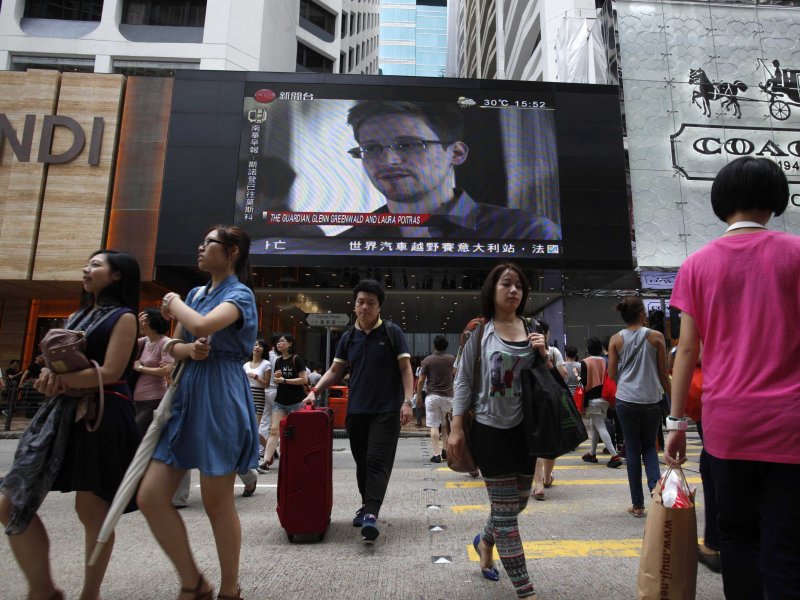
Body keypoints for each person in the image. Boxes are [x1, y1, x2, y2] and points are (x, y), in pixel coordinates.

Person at [665, 156, 800, 598]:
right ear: (776, 201)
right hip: (790, 424)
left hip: (727, 427)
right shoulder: (795, 253)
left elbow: (687, 350)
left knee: (737, 535)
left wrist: (676, 423)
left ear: (721, 201)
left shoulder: (697, 265)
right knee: (787, 542)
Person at [0, 249, 141, 600]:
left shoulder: (124, 317)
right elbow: (62, 365)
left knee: (92, 510)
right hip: (59, 414)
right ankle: (43, 588)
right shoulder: (77, 314)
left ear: (117, 275)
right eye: (88, 263)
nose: (86, 269)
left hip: (100, 416)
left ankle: (89, 594)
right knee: (10, 502)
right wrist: (49, 376)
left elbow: (111, 372)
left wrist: (63, 381)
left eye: (96, 264)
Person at [136, 225, 259, 600]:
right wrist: (184, 350)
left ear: (232, 251)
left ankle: (228, 589)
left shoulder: (240, 294)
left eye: (209, 243)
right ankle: (193, 580)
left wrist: (173, 305)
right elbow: (174, 344)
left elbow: (203, 325)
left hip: (220, 393)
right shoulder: (194, 293)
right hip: (187, 389)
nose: (200, 247)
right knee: (150, 497)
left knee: (216, 502)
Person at [448, 263, 548, 599]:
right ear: (492, 290)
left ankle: (484, 540)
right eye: (506, 284)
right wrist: (457, 428)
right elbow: (462, 379)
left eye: (519, 285)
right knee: (507, 517)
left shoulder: (532, 328)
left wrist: (543, 354)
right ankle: (525, 589)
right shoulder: (478, 330)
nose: (513, 291)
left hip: (525, 431)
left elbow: (547, 381)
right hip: (489, 431)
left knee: (517, 504)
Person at [340, 101, 560, 240]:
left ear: (456, 153)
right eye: (370, 148)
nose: (389, 160)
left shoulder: (524, 232)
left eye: (409, 144)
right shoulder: (349, 240)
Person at [302, 279, 414, 543]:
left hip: (387, 409)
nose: (365, 307)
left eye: (371, 303)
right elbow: (335, 371)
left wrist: (408, 401)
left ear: (379, 308)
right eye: (360, 302)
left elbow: (405, 369)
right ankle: (366, 506)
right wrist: (314, 391)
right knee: (362, 463)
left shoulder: (391, 332)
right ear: (354, 306)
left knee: (377, 460)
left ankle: (372, 514)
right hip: (357, 411)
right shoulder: (348, 337)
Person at [608, 297, 671, 518]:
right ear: (642, 315)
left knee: (633, 449)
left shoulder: (616, 340)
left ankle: (637, 506)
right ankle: (655, 489)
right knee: (650, 447)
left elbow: (612, 374)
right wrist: (672, 399)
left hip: (626, 400)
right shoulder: (656, 337)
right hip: (651, 400)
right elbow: (664, 373)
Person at [131, 309, 188, 508]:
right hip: (137, 401)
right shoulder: (142, 343)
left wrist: (141, 368)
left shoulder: (164, 343)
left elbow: (167, 369)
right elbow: (128, 343)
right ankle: (151, 487)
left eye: (145, 320)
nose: (143, 323)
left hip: (155, 399)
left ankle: (142, 488)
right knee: (155, 444)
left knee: (141, 441)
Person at [261, 334, 308, 471]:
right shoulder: (279, 360)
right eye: (278, 342)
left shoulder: (296, 359)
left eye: (282, 341)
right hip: (280, 400)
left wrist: (284, 380)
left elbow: (304, 379)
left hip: (296, 401)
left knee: (295, 431)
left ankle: (294, 459)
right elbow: (278, 380)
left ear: (290, 344)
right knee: (274, 430)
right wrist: (277, 378)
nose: (279, 344)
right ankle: (265, 461)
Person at [531, 319, 566, 501]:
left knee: (534, 441)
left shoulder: (521, 348)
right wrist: (546, 356)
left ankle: (538, 485)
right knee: (549, 439)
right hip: (549, 398)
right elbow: (562, 376)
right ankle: (546, 478)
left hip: (529, 398)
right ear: (547, 334)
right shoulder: (552, 351)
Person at [580, 337, 623, 468]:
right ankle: (591, 454)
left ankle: (614, 456)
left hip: (593, 399)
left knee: (600, 426)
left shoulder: (585, 362)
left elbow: (585, 383)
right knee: (595, 426)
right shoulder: (605, 361)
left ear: (588, 349)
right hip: (605, 397)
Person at [416, 335, 456, 463]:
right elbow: (456, 375)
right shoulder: (452, 359)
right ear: (446, 346)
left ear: (434, 345)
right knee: (445, 425)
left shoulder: (428, 360)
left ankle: (436, 454)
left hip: (432, 396)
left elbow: (421, 379)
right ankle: (445, 451)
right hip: (448, 397)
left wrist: (418, 396)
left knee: (434, 425)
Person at [243, 338, 270, 462]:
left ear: (264, 350)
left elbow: (266, 384)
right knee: (245, 427)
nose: (257, 347)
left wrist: (256, 377)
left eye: (260, 345)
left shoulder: (266, 364)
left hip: (259, 396)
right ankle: (269, 449)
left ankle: (263, 452)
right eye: (255, 345)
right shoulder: (245, 365)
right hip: (245, 395)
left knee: (254, 428)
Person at [257, 334, 280, 470]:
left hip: (262, 391)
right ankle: (273, 451)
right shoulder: (278, 357)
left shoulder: (265, 357)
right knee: (277, 424)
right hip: (276, 390)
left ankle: (262, 451)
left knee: (264, 422)